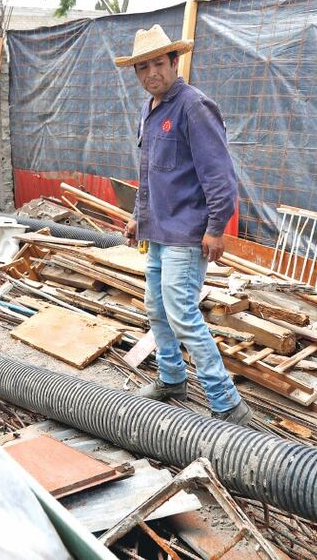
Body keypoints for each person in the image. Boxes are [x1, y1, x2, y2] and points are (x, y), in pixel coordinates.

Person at [116, 24, 252, 426]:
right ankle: (172, 379)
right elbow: (153, 174)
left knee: (180, 311)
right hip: (157, 231)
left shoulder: (194, 107)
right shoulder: (150, 108)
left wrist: (215, 228)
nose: (151, 73)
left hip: (187, 233)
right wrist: (137, 218)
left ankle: (226, 402)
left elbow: (220, 178)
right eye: (143, 67)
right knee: (157, 309)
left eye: (158, 63)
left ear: (175, 62)